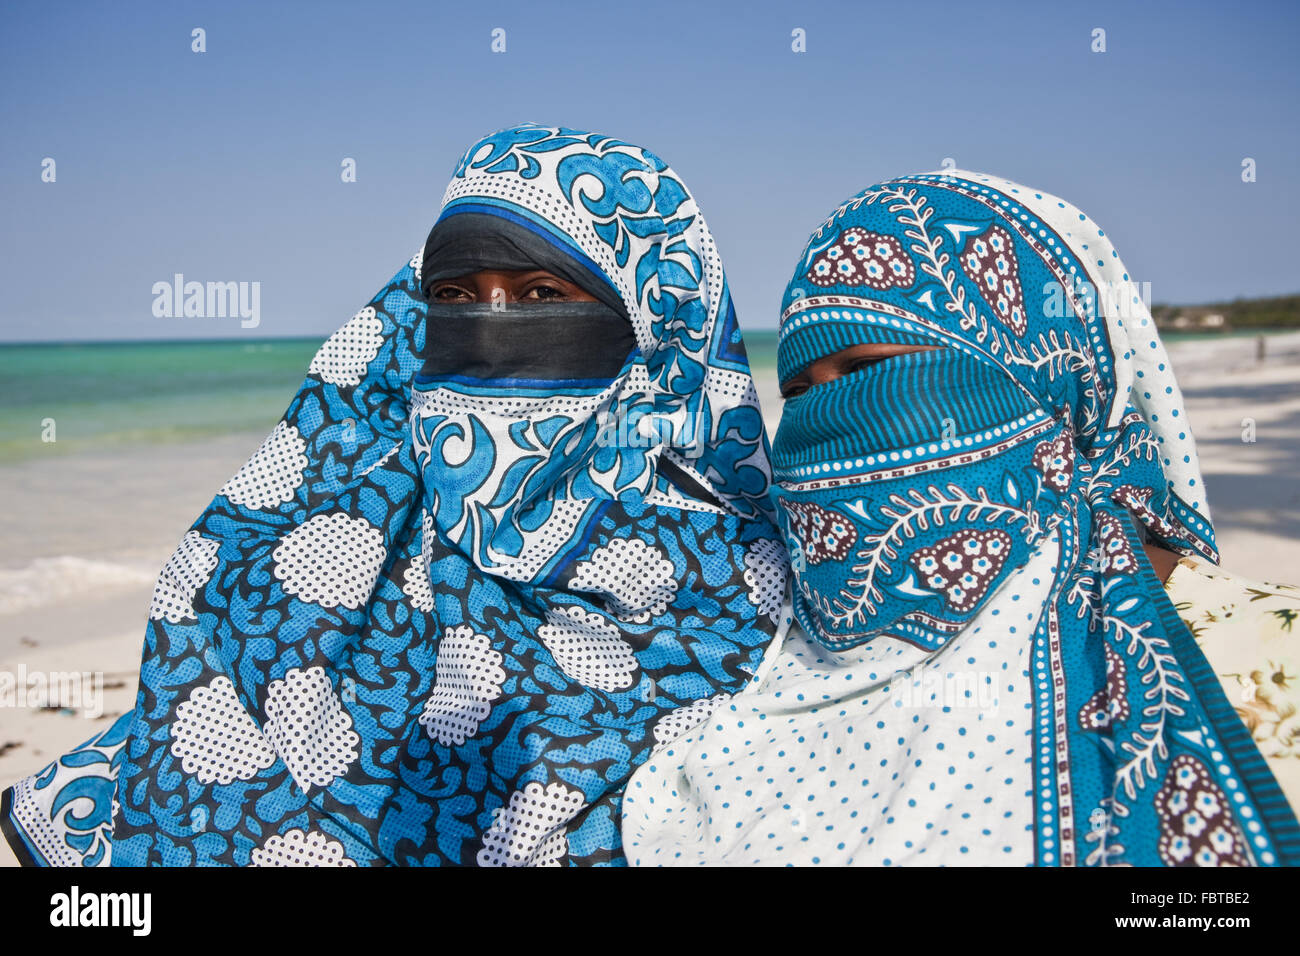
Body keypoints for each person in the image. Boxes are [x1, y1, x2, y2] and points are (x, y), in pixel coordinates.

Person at [0, 124, 789, 867]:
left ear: (653, 320)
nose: (490, 323)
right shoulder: (346, 531)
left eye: (544, 293)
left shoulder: (744, 590)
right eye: (454, 296)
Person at [620, 169, 1300, 866]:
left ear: (1039, 372)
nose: (824, 417)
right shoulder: (763, 679)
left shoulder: (1269, 662)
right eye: (796, 390)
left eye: (866, 368)